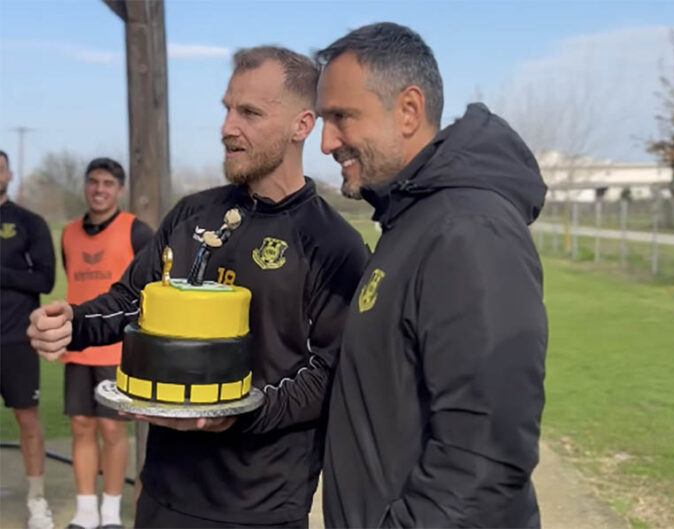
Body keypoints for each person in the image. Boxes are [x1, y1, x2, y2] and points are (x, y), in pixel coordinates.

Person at [27, 46, 369, 528]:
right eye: (227, 109)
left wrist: (239, 413)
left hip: (258, 507)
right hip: (163, 495)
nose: (228, 127)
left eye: (249, 113)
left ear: (302, 125)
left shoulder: (334, 244)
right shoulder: (193, 214)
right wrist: (73, 323)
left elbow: (329, 375)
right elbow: (134, 302)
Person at [315, 22, 548, 528]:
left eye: (341, 117)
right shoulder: (411, 221)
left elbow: (484, 461)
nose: (326, 142)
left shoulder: (468, 230)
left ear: (408, 110)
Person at [60, 157, 153, 529]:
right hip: (77, 346)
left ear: (120, 189)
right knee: (81, 425)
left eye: (108, 183)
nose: (99, 189)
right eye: (93, 181)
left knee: (112, 429)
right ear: (85, 185)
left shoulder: (137, 231)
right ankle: (86, 512)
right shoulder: (68, 233)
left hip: (117, 349)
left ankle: (111, 514)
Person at [0, 150, 56, 529]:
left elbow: (45, 280)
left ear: (9, 175)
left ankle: (37, 500)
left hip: (15, 339)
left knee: (27, 419)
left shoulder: (28, 222)